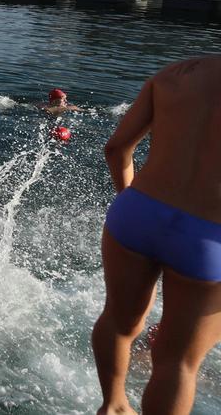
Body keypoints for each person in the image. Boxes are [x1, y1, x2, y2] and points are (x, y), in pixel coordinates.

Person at [93, 56, 221, 415]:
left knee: (119, 321)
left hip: (138, 213)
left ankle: (114, 405)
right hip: (208, 236)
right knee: (178, 361)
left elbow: (116, 148)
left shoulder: (177, 73)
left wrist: (132, 202)